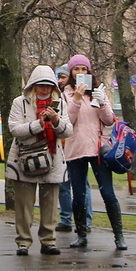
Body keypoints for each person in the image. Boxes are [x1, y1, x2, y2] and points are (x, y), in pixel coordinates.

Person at [62, 54, 127, 251]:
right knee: (79, 195)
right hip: (76, 150)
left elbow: (109, 120)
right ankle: (81, 234)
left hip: (99, 149)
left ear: (89, 71)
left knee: (108, 193)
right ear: (71, 73)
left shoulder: (98, 91)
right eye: (76, 70)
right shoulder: (66, 94)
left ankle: (119, 236)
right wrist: (77, 99)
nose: (81, 73)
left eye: (84, 69)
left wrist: (102, 102)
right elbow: (67, 122)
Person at [6, 65, 72, 255]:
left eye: (48, 85)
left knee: (50, 204)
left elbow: (68, 131)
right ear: (33, 85)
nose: (44, 89)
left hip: (52, 158)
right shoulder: (20, 102)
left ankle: (48, 241)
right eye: (41, 85)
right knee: (24, 205)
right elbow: (15, 129)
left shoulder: (60, 103)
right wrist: (38, 124)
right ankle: (23, 242)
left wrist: (56, 120)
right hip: (25, 158)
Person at [54, 66, 92, 233]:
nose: (61, 80)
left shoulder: (81, 95)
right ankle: (66, 218)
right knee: (63, 184)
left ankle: (85, 220)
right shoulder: (58, 95)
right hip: (60, 147)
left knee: (82, 185)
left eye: (63, 77)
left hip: (76, 146)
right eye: (59, 77)